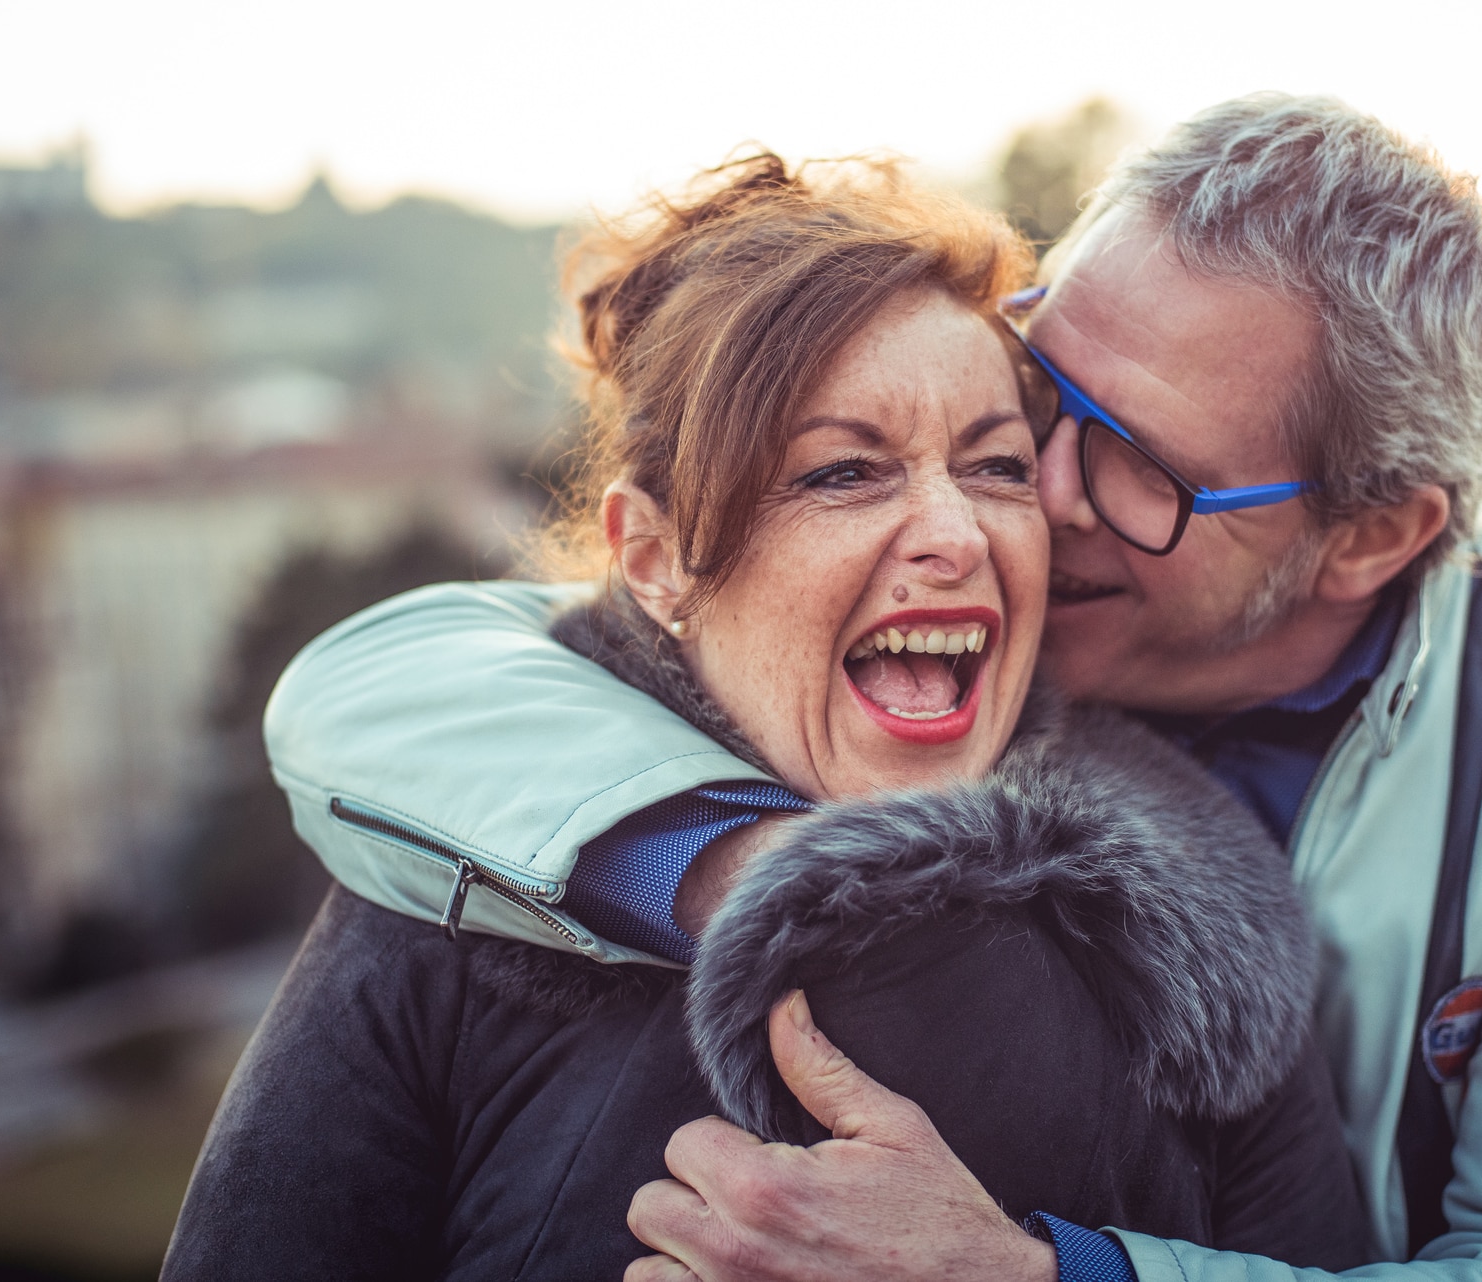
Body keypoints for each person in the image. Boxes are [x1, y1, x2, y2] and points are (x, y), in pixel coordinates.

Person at [257, 97, 1482, 1282]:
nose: (1023, 493)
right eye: (1041, 388)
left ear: (1370, 533)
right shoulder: (866, 631)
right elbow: (445, 659)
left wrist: (1044, 1276)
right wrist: (747, 869)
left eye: (1137, 461)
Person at [164, 154, 1371, 1281]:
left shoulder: (1207, 920)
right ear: (658, 558)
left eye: (997, 465)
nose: (956, 534)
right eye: (844, 471)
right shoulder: (456, 880)